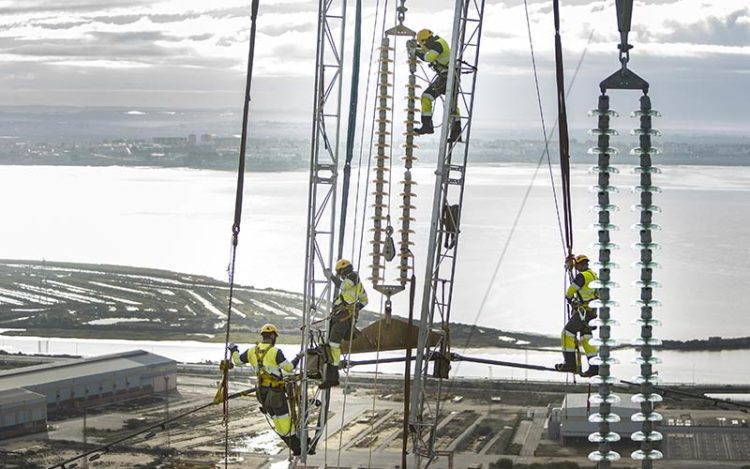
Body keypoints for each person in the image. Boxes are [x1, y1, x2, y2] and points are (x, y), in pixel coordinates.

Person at [224, 324, 305, 455]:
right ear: (273, 336)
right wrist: (298, 357)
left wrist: (234, 349)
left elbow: (237, 361)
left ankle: (295, 446)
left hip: (261, 393)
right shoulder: (275, 352)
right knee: (284, 422)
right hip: (275, 394)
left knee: (277, 422)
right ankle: (297, 448)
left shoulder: (252, 351)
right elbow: (289, 368)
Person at [322, 259, 369, 389]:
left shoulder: (353, 277)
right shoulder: (357, 285)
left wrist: (331, 277)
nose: (341, 275)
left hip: (342, 318)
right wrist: (354, 308)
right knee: (331, 345)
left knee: (333, 345)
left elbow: (343, 286)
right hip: (341, 317)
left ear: (343, 270)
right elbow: (365, 301)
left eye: (340, 272)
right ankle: (331, 376)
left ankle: (332, 377)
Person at [412, 29, 462, 143]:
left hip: (447, 77)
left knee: (426, 96)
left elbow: (428, 57)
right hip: (450, 76)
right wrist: (417, 49)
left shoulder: (438, 44)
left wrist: (415, 51)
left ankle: (427, 126)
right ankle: (456, 134)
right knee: (452, 106)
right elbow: (427, 52)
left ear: (425, 41)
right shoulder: (438, 43)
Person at [555, 254, 600, 377]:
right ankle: (595, 368)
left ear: (580, 265)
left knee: (567, 334)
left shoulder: (581, 276)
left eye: (578, 265)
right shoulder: (594, 275)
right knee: (587, 339)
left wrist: (572, 302)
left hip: (582, 312)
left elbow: (569, 293)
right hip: (591, 313)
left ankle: (570, 363)